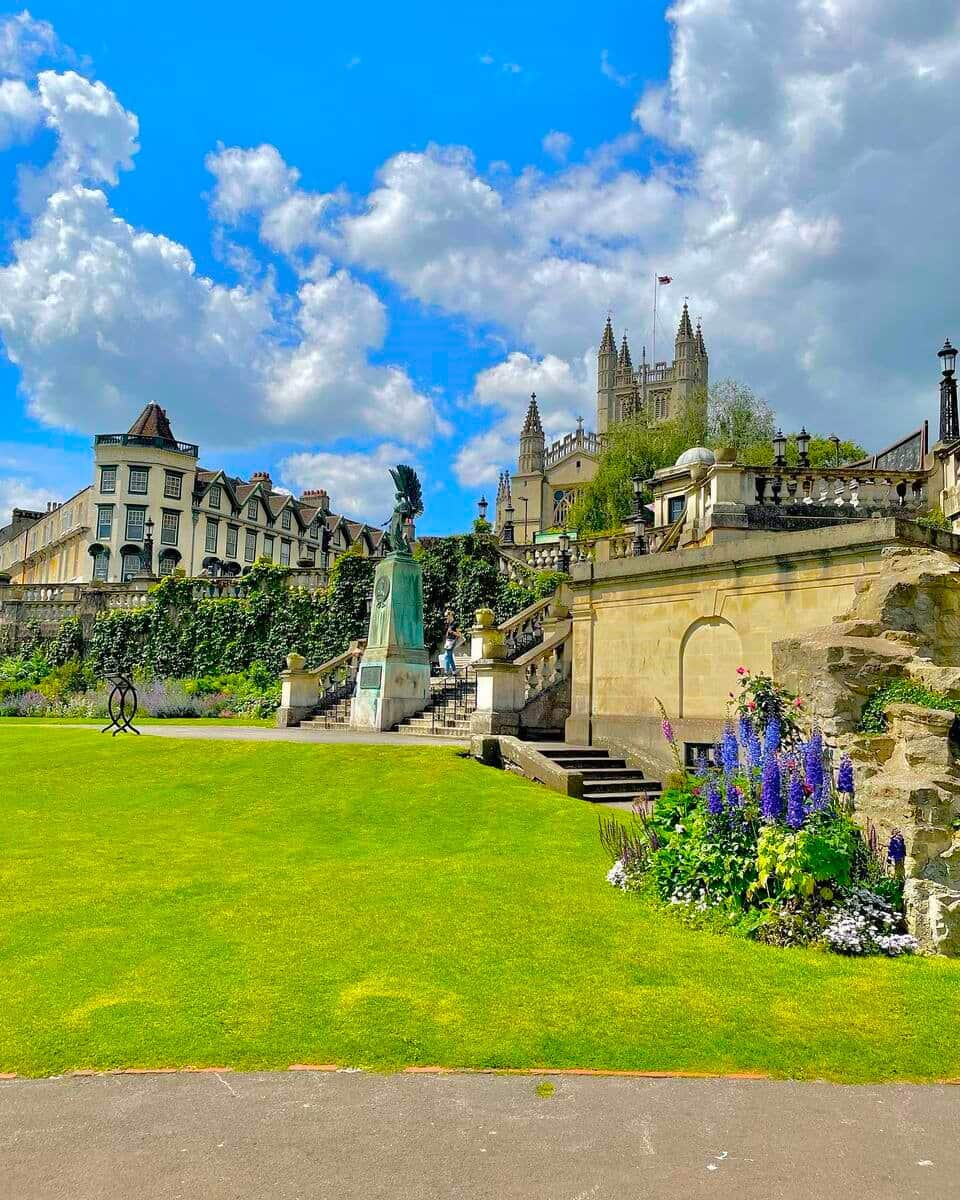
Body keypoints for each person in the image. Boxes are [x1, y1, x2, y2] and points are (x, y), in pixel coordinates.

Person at [441, 609, 460, 676]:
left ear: (450, 615)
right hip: (448, 641)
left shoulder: (455, 623)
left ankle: (453, 671)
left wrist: (451, 632)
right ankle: (448, 671)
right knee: (447, 656)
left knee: (449, 655)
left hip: (452, 641)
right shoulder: (448, 624)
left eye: (446, 616)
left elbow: (459, 634)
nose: (446, 617)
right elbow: (447, 633)